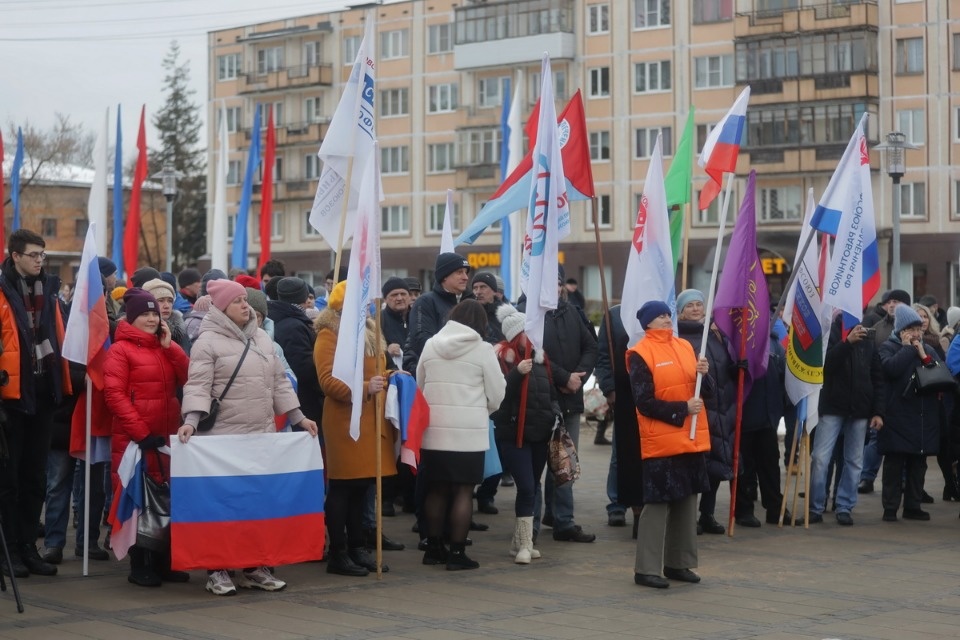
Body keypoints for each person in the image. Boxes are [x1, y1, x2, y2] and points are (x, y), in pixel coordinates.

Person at [177, 279, 318, 595]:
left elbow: (280, 384)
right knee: (225, 505)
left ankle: (256, 567)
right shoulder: (207, 342)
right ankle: (219, 570)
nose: (245, 305)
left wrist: (299, 418)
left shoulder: (264, 340)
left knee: (258, 503)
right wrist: (190, 421)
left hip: (261, 437)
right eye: (238, 301)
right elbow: (198, 386)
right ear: (223, 308)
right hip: (223, 440)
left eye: (246, 300)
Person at [103, 288, 190, 587]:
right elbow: (114, 395)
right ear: (132, 317)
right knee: (139, 499)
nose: (153, 318)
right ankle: (139, 565)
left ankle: (164, 562)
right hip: (135, 441)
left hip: (166, 437)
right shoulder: (120, 350)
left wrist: (171, 348)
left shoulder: (163, 346)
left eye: (155, 313)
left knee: (166, 497)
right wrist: (141, 432)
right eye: (146, 313)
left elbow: (188, 376)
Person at [0, 229, 74, 578]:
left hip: (43, 397)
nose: (39, 261)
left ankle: (28, 546)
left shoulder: (51, 295)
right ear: (14, 255)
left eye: (42, 255)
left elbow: (58, 341)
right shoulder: (2, 292)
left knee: (34, 478)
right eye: (33, 255)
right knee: (9, 480)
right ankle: (9, 549)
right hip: (11, 401)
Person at [314, 281, 398, 577]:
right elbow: (327, 381)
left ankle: (357, 548)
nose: (368, 307)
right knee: (343, 487)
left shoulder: (370, 330)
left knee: (362, 487)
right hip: (344, 419)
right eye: (361, 302)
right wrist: (365, 387)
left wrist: (392, 376)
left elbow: (375, 370)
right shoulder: (329, 333)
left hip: (369, 417)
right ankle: (338, 552)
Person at [416, 300, 505, 570]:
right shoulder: (483, 349)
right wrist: (482, 408)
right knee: (464, 492)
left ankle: (432, 549)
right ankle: (457, 553)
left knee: (437, 489)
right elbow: (498, 392)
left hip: (434, 430)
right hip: (468, 432)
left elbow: (420, 383)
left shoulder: (431, 344)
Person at [628, 301, 711, 589]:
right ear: (648, 323)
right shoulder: (640, 353)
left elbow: (703, 393)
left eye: (667, 314)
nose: (666, 318)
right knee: (658, 503)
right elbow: (644, 402)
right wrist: (681, 409)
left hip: (690, 436)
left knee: (687, 501)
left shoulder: (686, 347)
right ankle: (646, 569)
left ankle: (679, 563)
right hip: (662, 439)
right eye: (660, 316)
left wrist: (704, 373)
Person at [523, 271, 597, 543]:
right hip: (538, 401)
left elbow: (591, 346)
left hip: (570, 400)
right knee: (536, 465)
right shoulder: (527, 314)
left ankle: (563, 521)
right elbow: (529, 352)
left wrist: (578, 377)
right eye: (546, 282)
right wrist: (564, 377)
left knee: (565, 461)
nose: (552, 287)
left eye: (556, 282)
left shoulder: (573, 312)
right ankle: (528, 526)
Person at [807, 318, 884, 526]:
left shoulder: (868, 336)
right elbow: (825, 366)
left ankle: (844, 506)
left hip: (860, 409)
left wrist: (878, 412)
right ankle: (815, 507)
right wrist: (846, 343)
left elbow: (876, 376)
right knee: (820, 458)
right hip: (832, 407)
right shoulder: (828, 332)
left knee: (854, 461)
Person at [492, 305, 553, 564]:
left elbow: (549, 392)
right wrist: (517, 373)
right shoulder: (501, 360)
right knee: (526, 487)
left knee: (532, 487)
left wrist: (554, 415)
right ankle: (525, 544)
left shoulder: (541, 359)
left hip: (539, 433)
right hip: (513, 434)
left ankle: (518, 542)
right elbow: (498, 397)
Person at [674, 288, 735, 535]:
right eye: (690, 306)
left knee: (718, 464)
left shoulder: (716, 334)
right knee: (696, 465)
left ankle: (707, 514)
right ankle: (688, 516)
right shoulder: (679, 338)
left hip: (722, 408)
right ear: (680, 311)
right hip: (698, 410)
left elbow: (725, 366)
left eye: (699, 304)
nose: (696, 309)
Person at [877, 305, 943, 522]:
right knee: (894, 465)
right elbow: (890, 369)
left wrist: (923, 355)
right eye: (911, 329)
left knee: (918, 464)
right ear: (901, 330)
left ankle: (913, 506)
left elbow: (939, 378)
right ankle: (890, 508)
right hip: (897, 415)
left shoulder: (929, 350)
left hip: (922, 416)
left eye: (918, 328)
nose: (916, 333)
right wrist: (907, 349)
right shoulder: (889, 347)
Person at [734, 331, 791, 527]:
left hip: (768, 414)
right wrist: (735, 368)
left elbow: (782, 373)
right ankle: (743, 510)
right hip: (745, 413)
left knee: (770, 465)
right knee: (744, 466)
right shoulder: (734, 340)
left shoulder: (773, 342)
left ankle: (775, 509)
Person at [859, 289, 912, 495]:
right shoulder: (876, 329)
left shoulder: (914, 329)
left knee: (907, 439)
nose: (892, 305)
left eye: (897, 301)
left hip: (908, 392)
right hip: (882, 391)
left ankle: (906, 480)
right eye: (889, 301)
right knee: (875, 437)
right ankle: (867, 478)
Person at [595, 304, 641, 531]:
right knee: (620, 451)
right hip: (622, 393)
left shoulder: (661, 308)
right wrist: (609, 388)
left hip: (650, 394)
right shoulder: (614, 315)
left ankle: (645, 506)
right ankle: (617, 504)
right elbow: (603, 354)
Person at [268, 277, 324, 434]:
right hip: (305, 402)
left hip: (293, 401)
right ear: (304, 297)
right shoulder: (294, 325)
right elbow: (304, 367)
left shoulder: (280, 318)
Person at [403, 252, 470, 373]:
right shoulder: (426, 302)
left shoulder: (470, 303)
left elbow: (484, 335)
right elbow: (422, 341)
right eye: (459, 272)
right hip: (438, 375)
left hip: (467, 375)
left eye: (466, 272)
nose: (465, 277)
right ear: (445, 276)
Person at [142, 278, 191, 354]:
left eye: (170, 301)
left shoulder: (181, 331)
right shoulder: (139, 329)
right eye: (161, 300)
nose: (167, 306)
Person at [381, 277, 412, 372]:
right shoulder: (378, 320)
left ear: (409, 297)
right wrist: (386, 353)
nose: (399, 298)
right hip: (394, 377)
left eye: (403, 294)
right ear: (385, 299)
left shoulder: (419, 317)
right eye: (394, 295)